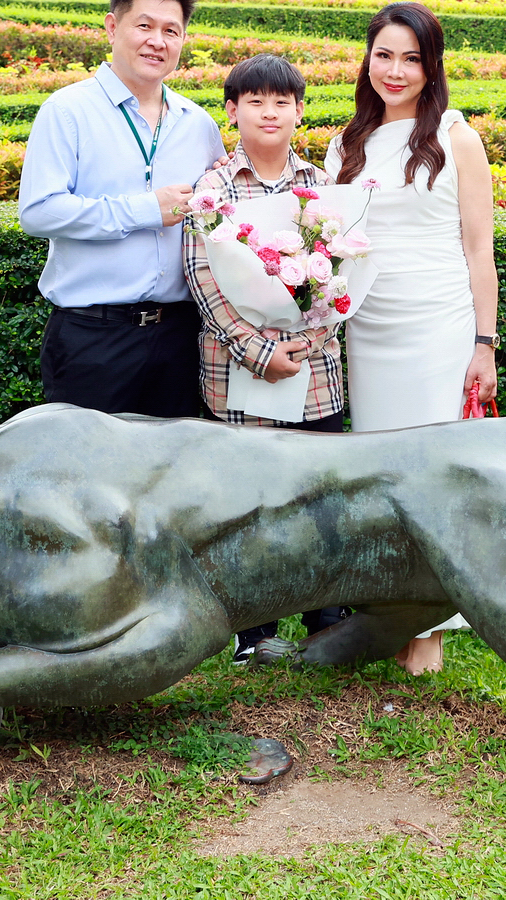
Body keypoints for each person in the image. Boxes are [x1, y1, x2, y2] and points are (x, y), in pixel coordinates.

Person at [326, 1, 500, 674]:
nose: (395, 70)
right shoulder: (344, 144)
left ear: (432, 68)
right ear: (367, 60)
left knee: (435, 478)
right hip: (369, 330)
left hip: (436, 324)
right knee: (381, 476)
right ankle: (388, 611)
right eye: (383, 55)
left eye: (411, 58)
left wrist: (484, 341)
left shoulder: (457, 138)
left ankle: (430, 628)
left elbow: (479, 246)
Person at [183, 53, 351, 664]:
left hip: (315, 374)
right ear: (232, 110)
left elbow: (341, 276)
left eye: (283, 101)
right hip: (238, 376)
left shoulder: (321, 186)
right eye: (255, 101)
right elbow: (203, 281)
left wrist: (308, 338)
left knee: (320, 495)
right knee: (249, 501)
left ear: (300, 110)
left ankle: (327, 621)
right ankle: (254, 631)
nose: (270, 112)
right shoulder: (214, 188)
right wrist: (259, 351)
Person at [16, 0, 225, 416]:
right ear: (113, 28)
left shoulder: (198, 124)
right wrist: (145, 210)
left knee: (171, 474)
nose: (158, 41)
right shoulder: (67, 110)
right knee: (84, 475)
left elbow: (219, 218)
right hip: (93, 337)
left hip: (181, 337)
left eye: (172, 31)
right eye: (144, 26)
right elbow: (38, 212)